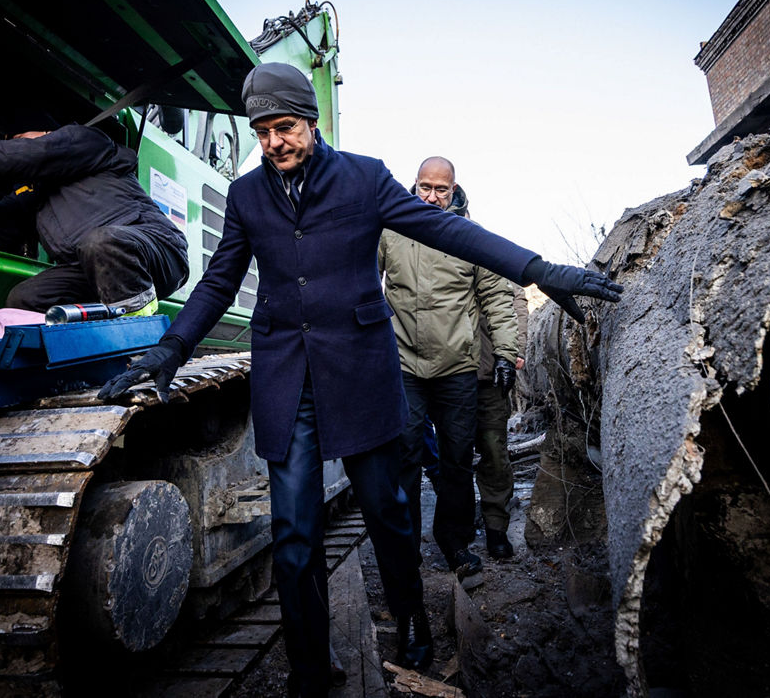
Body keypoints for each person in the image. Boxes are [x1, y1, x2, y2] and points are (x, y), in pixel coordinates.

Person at [98, 63, 621, 697]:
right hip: (287, 380)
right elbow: (219, 281)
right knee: (294, 533)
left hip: (362, 374)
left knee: (388, 513)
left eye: (284, 127)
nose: (273, 144)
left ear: (311, 123)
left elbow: (451, 231)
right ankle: (310, 667)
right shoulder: (246, 197)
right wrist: (171, 348)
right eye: (262, 132)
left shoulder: (364, 179)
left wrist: (542, 270)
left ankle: (411, 621)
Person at [378, 157, 519, 577]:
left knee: (457, 458)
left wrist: (507, 354)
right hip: (404, 366)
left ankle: (455, 542)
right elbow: (363, 278)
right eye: (425, 187)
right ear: (414, 186)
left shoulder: (469, 236)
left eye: (441, 190)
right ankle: (405, 548)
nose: (432, 197)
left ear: (454, 190)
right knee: (403, 454)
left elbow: (497, 297)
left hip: (457, 367)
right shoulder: (391, 231)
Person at [0, 123, 189, 315]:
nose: (15, 143)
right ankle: (71, 363)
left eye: (20, 137)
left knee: (103, 242)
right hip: (93, 266)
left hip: (156, 247)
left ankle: (138, 332)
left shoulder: (86, 142)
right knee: (26, 297)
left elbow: (26, 154)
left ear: (46, 132)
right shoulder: (34, 197)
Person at [475, 282, 529, 559]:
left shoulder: (489, 255)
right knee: (451, 453)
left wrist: (514, 350)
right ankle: (457, 532)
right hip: (445, 373)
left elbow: (516, 300)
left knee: (495, 452)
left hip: (490, 371)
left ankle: (496, 527)